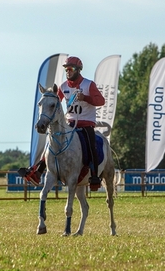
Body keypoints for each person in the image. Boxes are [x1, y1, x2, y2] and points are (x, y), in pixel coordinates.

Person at [18, 56, 106, 190]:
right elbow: (54, 101)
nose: (68, 72)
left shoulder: (89, 85)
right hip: (69, 122)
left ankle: (94, 176)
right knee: (52, 142)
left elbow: (101, 101)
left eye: (70, 69)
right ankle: (37, 171)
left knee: (91, 144)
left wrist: (86, 98)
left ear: (78, 70)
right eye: (66, 69)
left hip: (86, 122)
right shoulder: (63, 86)